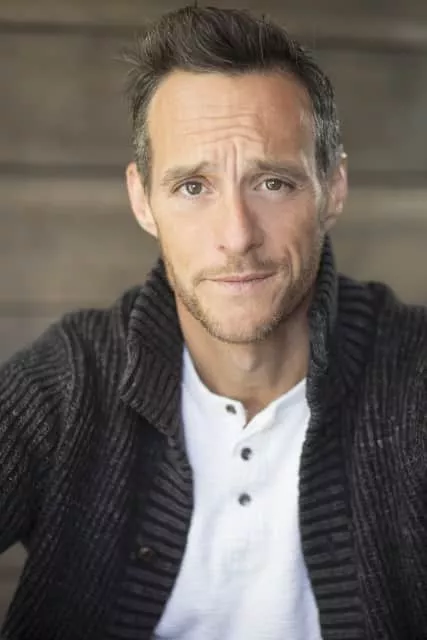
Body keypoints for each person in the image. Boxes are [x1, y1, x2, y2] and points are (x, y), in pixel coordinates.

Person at [0, 5, 426, 640]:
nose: (237, 236)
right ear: (143, 199)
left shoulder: (414, 376)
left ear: (332, 190)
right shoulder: (68, 382)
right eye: (193, 187)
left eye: (273, 182)